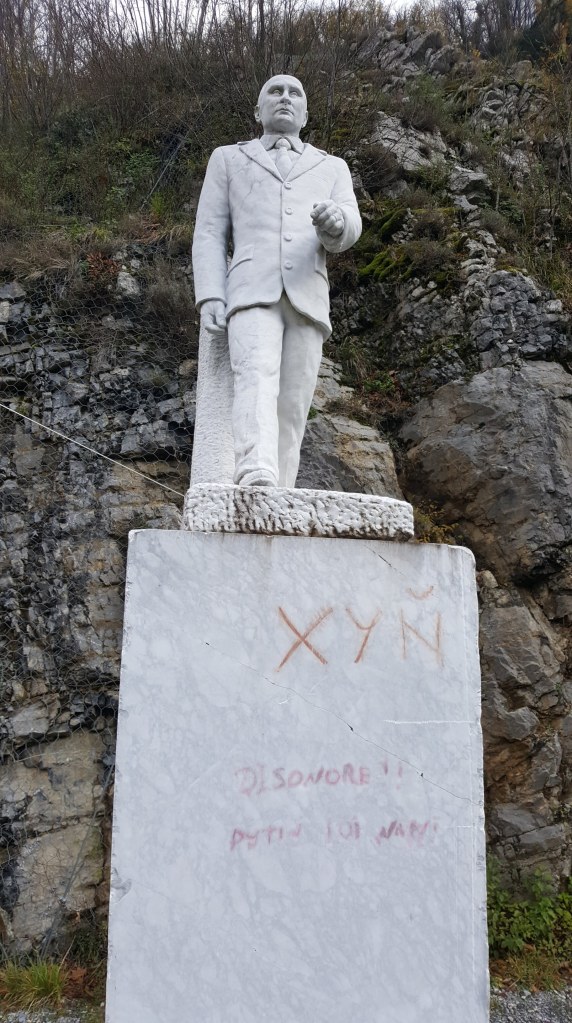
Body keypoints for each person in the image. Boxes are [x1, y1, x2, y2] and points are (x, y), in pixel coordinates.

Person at [192, 74, 362, 489]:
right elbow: (210, 231)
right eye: (275, 91)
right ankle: (255, 468)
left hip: (307, 292)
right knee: (255, 374)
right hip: (251, 288)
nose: (285, 98)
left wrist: (336, 224)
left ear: (305, 114)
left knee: (294, 401)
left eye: (294, 93)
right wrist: (210, 293)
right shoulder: (228, 159)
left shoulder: (332, 166)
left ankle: (281, 487)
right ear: (258, 110)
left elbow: (351, 225)